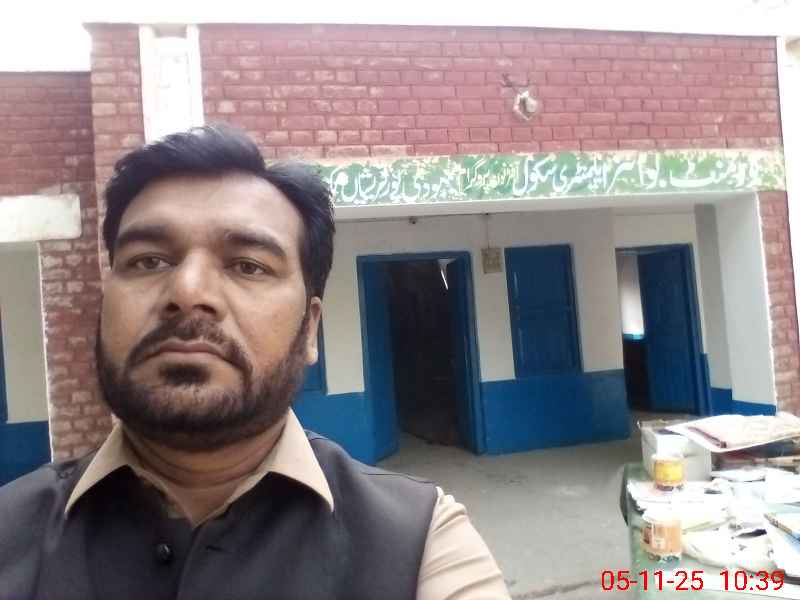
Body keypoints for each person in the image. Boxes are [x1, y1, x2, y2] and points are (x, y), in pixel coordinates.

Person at [0, 125, 510, 599]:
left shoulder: (423, 545)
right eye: (149, 260)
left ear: (309, 329)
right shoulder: (9, 531)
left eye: (248, 265)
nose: (188, 291)